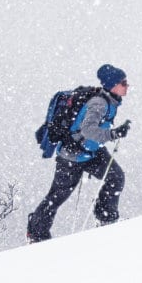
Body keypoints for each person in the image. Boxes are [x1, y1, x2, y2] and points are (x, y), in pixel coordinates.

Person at [26, 64, 132, 242]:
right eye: (124, 82)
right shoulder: (99, 103)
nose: (127, 86)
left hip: (91, 152)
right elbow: (88, 130)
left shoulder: (108, 99)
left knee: (116, 177)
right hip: (72, 156)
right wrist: (113, 134)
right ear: (113, 85)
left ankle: (106, 218)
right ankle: (36, 233)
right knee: (56, 197)